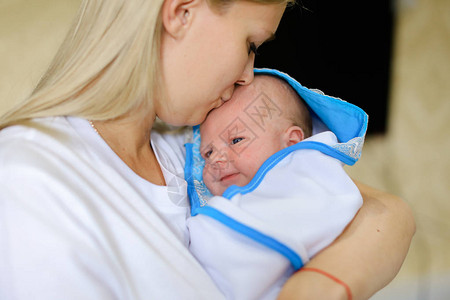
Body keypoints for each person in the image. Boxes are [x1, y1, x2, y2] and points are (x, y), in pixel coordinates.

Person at [0, 0, 415, 299]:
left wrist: (320, 285)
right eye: (251, 44)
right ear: (181, 12)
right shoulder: (28, 178)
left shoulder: (190, 150)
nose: (248, 75)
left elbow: (386, 211)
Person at [185, 73, 363, 299]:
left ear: (292, 142)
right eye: (208, 153)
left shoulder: (309, 181)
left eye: (236, 140)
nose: (217, 159)